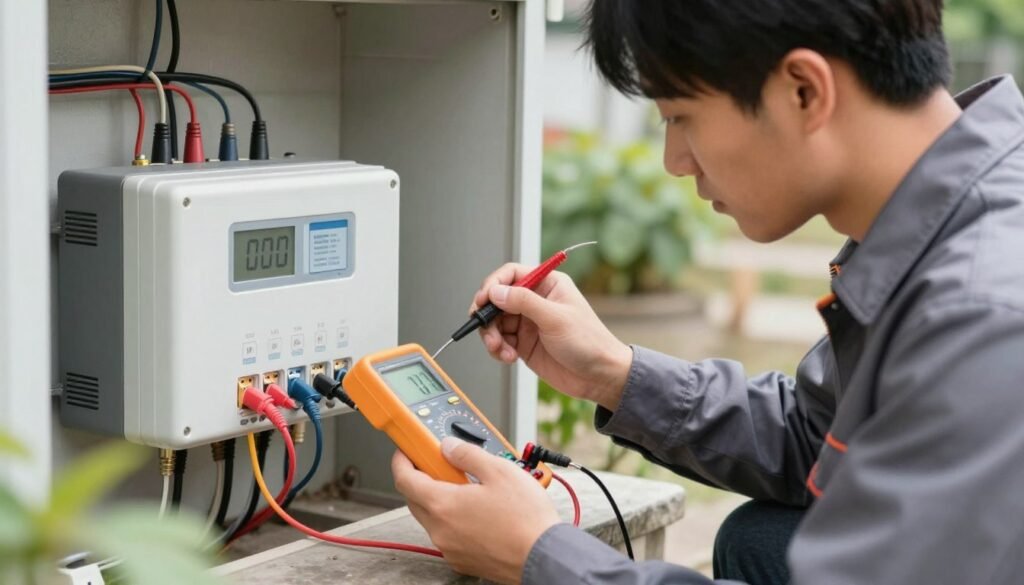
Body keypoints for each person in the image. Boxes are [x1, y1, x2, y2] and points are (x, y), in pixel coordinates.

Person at [391, 0, 1024, 583]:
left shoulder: (981, 314)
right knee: (762, 541)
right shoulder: (954, 223)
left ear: (803, 91)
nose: (675, 158)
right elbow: (824, 440)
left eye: (680, 116)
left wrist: (540, 556)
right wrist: (615, 374)